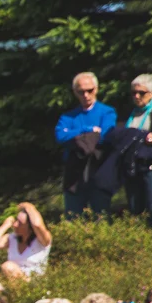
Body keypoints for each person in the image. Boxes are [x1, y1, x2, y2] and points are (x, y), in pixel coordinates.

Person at [56, 71, 117, 217]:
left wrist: (76, 138)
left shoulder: (107, 112)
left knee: (101, 217)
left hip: (98, 170)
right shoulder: (68, 116)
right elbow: (60, 136)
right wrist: (88, 130)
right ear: (75, 92)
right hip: (74, 175)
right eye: (81, 91)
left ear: (96, 89)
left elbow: (104, 136)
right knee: (73, 217)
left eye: (89, 90)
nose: (86, 95)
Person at [123, 74, 152, 226]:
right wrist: (143, 136)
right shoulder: (130, 113)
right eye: (133, 93)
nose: (137, 96)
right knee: (135, 210)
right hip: (132, 166)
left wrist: (135, 137)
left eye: (141, 93)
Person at [0, 202, 52, 279]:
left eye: (20, 223)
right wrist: (6, 225)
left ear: (30, 227)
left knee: (8, 266)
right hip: (14, 282)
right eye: (16, 221)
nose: (15, 225)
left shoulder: (42, 240)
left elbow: (37, 224)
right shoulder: (12, 238)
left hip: (34, 282)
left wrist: (29, 207)